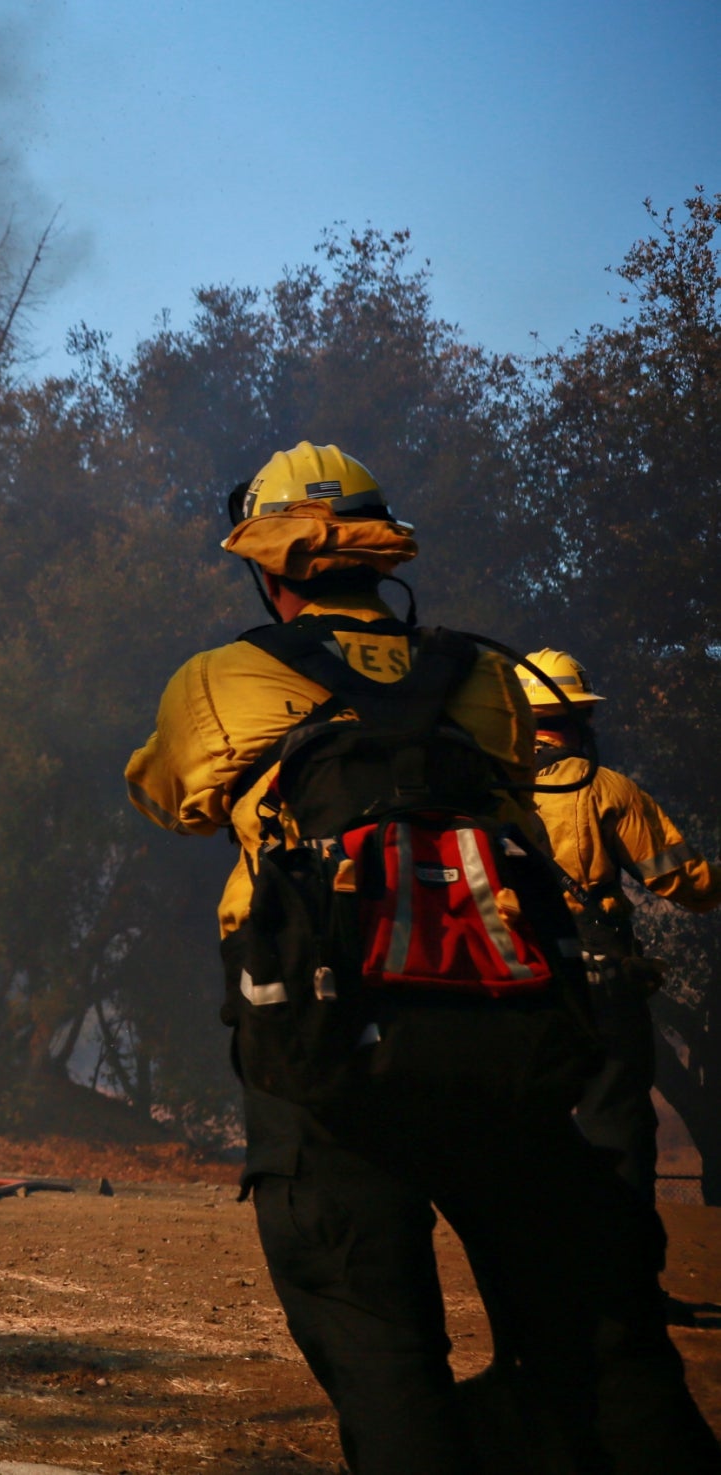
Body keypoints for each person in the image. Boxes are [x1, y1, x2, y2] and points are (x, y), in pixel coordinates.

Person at [124, 442, 718, 1474]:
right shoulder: (486, 675)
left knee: (381, 1347)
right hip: (510, 1041)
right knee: (603, 1338)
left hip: (323, 1051)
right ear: (378, 554)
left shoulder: (223, 676)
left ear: (269, 567)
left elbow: (170, 797)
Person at [521, 648, 719, 1200]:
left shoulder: (481, 788)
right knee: (618, 1124)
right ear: (581, 719)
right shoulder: (605, 789)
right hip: (597, 979)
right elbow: (688, 884)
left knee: (528, 1124)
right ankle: (622, 1274)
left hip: (510, 981)